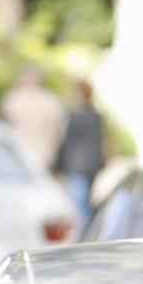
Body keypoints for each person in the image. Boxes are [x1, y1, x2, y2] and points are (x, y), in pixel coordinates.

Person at [55, 80, 107, 217]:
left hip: (77, 165)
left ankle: (85, 235)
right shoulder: (96, 116)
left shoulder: (75, 117)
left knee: (79, 205)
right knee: (84, 202)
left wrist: (59, 165)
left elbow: (66, 142)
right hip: (92, 165)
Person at [0, 67, 66, 170]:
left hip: (17, 153)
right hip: (44, 154)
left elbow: (2, 125)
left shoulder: (13, 98)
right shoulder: (51, 100)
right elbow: (60, 130)